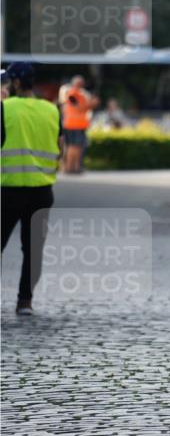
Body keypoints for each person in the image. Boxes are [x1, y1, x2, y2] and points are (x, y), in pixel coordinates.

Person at [1, 63, 62, 315]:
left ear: (15, 83)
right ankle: (25, 301)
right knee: (33, 249)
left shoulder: (5, 108)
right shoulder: (51, 110)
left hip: (9, 190)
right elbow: (60, 144)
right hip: (42, 191)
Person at [60, 75, 98, 174]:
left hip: (77, 124)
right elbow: (78, 107)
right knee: (73, 146)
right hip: (73, 124)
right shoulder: (72, 93)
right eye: (80, 83)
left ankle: (75, 167)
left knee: (77, 146)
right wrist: (91, 104)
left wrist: (90, 104)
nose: (82, 85)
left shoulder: (81, 94)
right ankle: (70, 168)